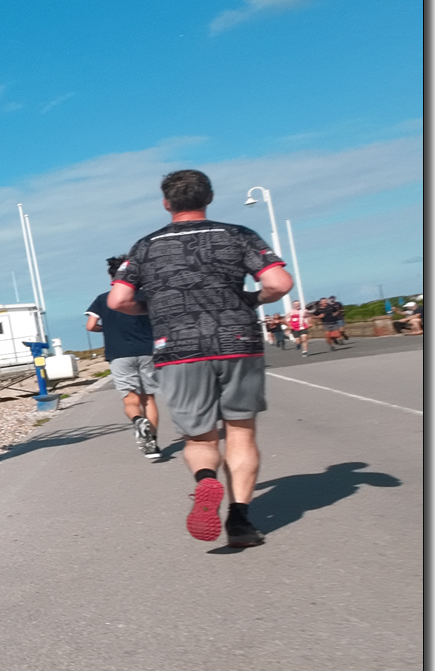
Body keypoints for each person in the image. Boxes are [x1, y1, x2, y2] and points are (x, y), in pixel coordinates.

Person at [108, 169, 293, 548]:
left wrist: (157, 308)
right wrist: (253, 299)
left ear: (166, 203)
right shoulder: (237, 234)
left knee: (199, 437)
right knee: (240, 432)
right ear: (208, 198)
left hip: (177, 349)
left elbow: (119, 300)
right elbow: (278, 284)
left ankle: (206, 480)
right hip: (237, 341)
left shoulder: (145, 246)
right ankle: (240, 521)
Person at [86, 256, 162, 460]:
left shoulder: (103, 299)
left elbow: (90, 326)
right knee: (149, 399)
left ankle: (137, 420)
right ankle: (152, 444)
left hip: (118, 354)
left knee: (131, 399)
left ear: (111, 275)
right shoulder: (144, 296)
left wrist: (107, 328)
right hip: (147, 351)